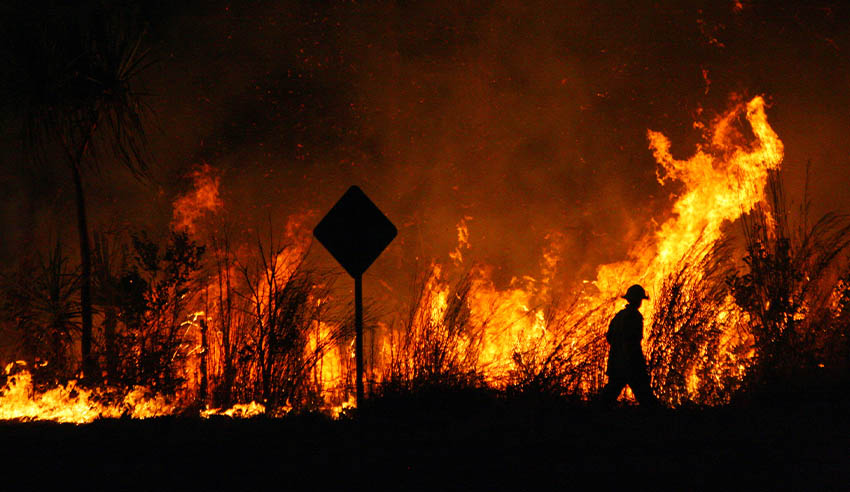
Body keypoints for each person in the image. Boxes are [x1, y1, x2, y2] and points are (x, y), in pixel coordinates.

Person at [600, 284, 658, 407]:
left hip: (617, 363)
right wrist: (637, 363)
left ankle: (591, 416)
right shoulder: (635, 317)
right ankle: (659, 421)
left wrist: (618, 351)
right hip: (631, 365)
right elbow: (633, 343)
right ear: (638, 301)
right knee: (646, 397)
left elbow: (609, 337)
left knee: (608, 395)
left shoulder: (619, 316)